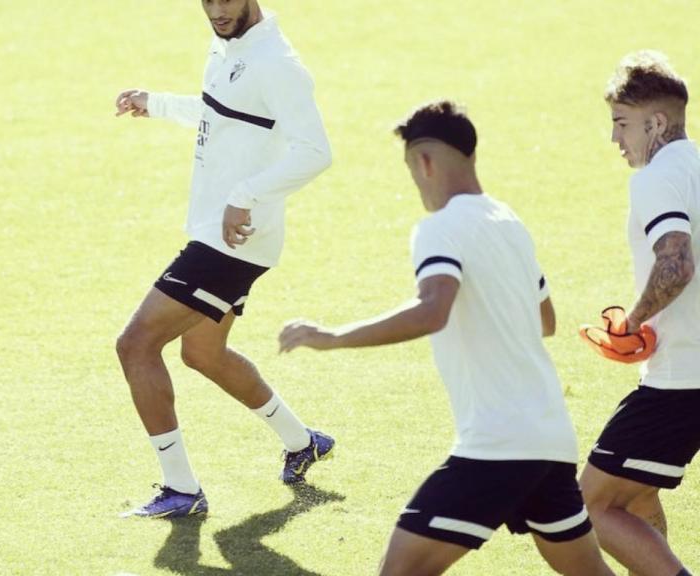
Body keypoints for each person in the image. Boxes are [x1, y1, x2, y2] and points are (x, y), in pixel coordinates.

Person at [279, 101, 615, 575]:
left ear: (424, 162)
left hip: (497, 446)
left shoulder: (439, 228)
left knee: (400, 570)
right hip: (550, 440)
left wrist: (332, 337)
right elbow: (546, 320)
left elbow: (433, 309)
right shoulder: (509, 223)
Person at [113, 0, 334, 518]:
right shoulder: (228, 45)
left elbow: (316, 152)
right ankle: (303, 442)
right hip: (217, 230)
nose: (216, 9)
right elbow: (222, 110)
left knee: (136, 344)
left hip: (233, 240)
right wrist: (156, 103)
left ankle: (182, 489)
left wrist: (246, 195)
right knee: (203, 353)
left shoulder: (278, 64)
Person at [579, 51, 698, 576]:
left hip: (681, 380)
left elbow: (677, 262)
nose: (614, 138)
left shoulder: (656, 178)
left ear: (656, 123)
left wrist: (631, 321)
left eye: (622, 123)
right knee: (636, 496)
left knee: (590, 506)